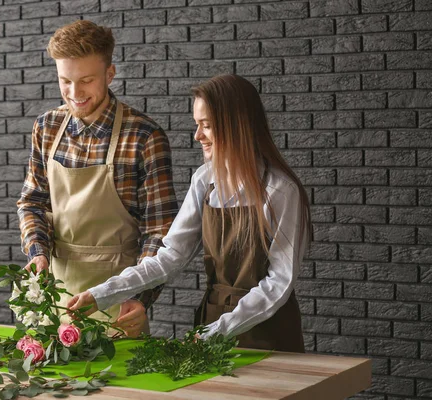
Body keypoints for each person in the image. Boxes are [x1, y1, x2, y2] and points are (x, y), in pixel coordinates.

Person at [68, 74, 311, 352]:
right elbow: (170, 257)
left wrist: (219, 331)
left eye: (206, 125)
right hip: (211, 321)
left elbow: (279, 282)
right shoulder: (204, 180)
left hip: (269, 332)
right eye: (197, 125)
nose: (198, 136)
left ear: (237, 126)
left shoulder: (280, 191)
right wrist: (102, 295)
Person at [16, 20, 179, 337]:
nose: (74, 93)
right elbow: (32, 202)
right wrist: (37, 255)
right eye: (65, 81)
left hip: (117, 305)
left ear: (109, 74)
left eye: (86, 81)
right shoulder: (46, 127)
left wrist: (139, 296)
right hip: (53, 299)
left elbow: (160, 230)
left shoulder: (144, 136)